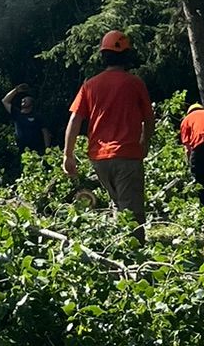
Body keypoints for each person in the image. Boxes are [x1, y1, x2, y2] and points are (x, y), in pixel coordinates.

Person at [63, 30, 156, 240]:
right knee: (131, 212)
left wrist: (68, 155)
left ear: (103, 56)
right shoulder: (134, 83)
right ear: (127, 55)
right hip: (127, 155)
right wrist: (145, 141)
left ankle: (119, 252)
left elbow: (75, 120)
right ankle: (134, 261)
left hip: (99, 159)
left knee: (117, 203)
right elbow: (149, 119)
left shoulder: (90, 85)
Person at [0, 82, 48, 174]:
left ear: (32, 102)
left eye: (26, 98)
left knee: (39, 172)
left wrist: (47, 149)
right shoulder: (17, 114)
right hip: (23, 151)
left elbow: (45, 132)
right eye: (22, 99)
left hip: (37, 150)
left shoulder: (37, 116)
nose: (23, 99)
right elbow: (5, 101)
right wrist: (17, 90)